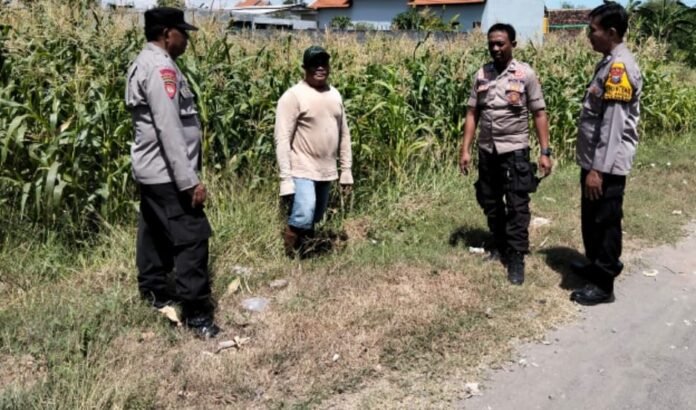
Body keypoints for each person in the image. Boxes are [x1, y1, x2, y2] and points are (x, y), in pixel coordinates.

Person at [125, 7, 220, 338]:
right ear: (167, 34)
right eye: (183, 33)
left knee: (153, 231)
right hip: (168, 173)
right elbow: (169, 128)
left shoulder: (144, 61)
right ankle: (197, 315)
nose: (187, 39)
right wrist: (189, 180)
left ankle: (153, 292)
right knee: (192, 238)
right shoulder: (161, 68)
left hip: (152, 170)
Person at [459, 23, 553, 285]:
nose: (495, 48)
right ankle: (499, 244)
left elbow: (539, 113)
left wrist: (545, 152)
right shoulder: (482, 74)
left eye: (500, 43)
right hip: (487, 149)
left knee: (517, 205)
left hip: (514, 150)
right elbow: (472, 113)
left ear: (513, 44)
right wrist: (465, 149)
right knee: (489, 200)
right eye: (491, 44)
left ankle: (516, 256)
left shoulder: (525, 74)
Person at [570, 2, 642, 305]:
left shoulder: (619, 68)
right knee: (592, 219)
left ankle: (603, 284)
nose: (589, 36)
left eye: (593, 30)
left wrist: (598, 170)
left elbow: (613, 126)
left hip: (607, 165)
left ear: (611, 32)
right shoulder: (608, 62)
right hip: (596, 161)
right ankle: (596, 264)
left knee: (606, 220)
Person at [274, 45, 353, 258]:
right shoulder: (293, 96)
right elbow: (282, 138)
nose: (320, 68)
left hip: (326, 169)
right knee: (304, 213)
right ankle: (290, 258)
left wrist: (346, 170)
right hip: (302, 167)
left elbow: (344, 134)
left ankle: (306, 254)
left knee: (315, 216)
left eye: (323, 63)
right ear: (304, 67)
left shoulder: (334, 95)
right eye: (314, 64)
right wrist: (285, 179)